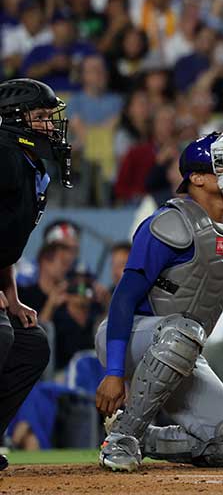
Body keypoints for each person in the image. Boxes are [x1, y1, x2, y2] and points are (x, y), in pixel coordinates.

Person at [94, 132, 223, 472]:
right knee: (184, 331)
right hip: (131, 337)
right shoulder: (168, 224)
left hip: (182, 348)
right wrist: (114, 372)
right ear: (197, 177)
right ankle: (123, 438)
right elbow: (123, 299)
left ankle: (146, 438)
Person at [0, 78, 71, 471]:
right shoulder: (2, 155)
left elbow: (4, 243)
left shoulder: (27, 163)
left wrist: (11, 296)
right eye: (41, 117)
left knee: (32, 344)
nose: (49, 125)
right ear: (13, 118)